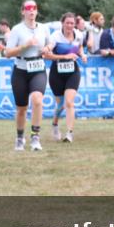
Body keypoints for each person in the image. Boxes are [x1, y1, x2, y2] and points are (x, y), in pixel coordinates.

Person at [4, 0, 49, 152]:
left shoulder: (43, 28)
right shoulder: (17, 30)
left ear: (37, 11)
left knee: (37, 100)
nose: (31, 11)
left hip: (38, 68)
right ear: (23, 11)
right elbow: (7, 53)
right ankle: (19, 138)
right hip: (21, 70)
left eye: (34, 8)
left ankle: (35, 137)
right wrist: (25, 45)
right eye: (28, 8)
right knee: (21, 109)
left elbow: (50, 45)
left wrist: (47, 49)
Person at [43, 11, 88, 143]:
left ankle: (69, 133)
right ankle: (55, 124)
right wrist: (64, 56)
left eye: (72, 23)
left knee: (69, 102)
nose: (70, 25)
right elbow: (47, 55)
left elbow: (79, 48)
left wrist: (83, 55)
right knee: (60, 105)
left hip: (73, 72)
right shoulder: (55, 36)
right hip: (56, 73)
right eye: (67, 23)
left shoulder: (79, 35)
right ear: (62, 23)